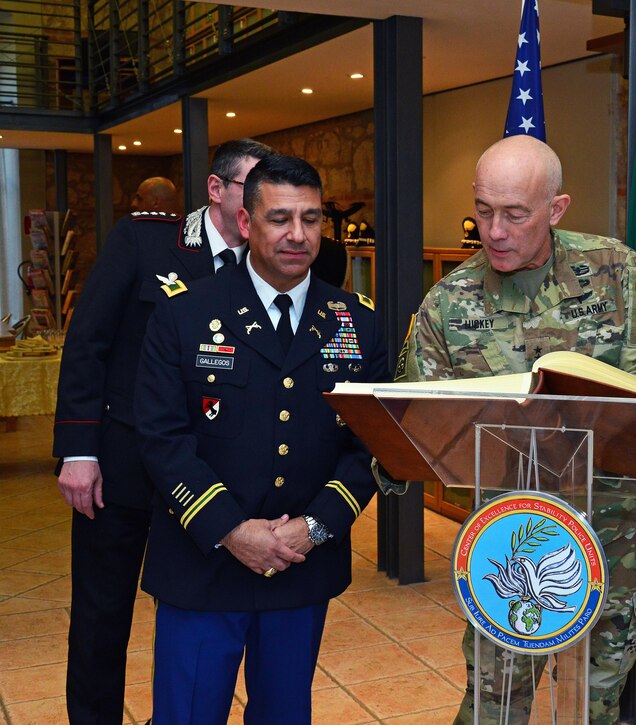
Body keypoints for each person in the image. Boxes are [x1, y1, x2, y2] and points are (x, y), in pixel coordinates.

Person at [390, 134, 636, 724]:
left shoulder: (615, 273)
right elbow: (415, 427)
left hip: (610, 539)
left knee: (594, 706)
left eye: (515, 214)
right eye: (483, 210)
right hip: (508, 546)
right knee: (493, 705)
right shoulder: (446, 303)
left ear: (556, 209)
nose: (494, 231)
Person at [133, 154, 388, 724]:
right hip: (203, 562)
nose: (298, 235)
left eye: (312, 219)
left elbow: (370, 444)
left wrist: (314, 526)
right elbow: (160, 435)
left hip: (300, 563)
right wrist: (230, 529)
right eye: (279, 219)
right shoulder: (185, 314)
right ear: (246, 224)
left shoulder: (357, 321)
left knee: (284, 715)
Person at [52, 138, 274, 724]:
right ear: (217, 190)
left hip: (208, 480)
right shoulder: (145, 241)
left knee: (194, 617)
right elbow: (88, 346)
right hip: (122, 469)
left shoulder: (270, 259)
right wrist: (78, 450)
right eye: (250, 188)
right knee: (103, 615)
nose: (263, 204)